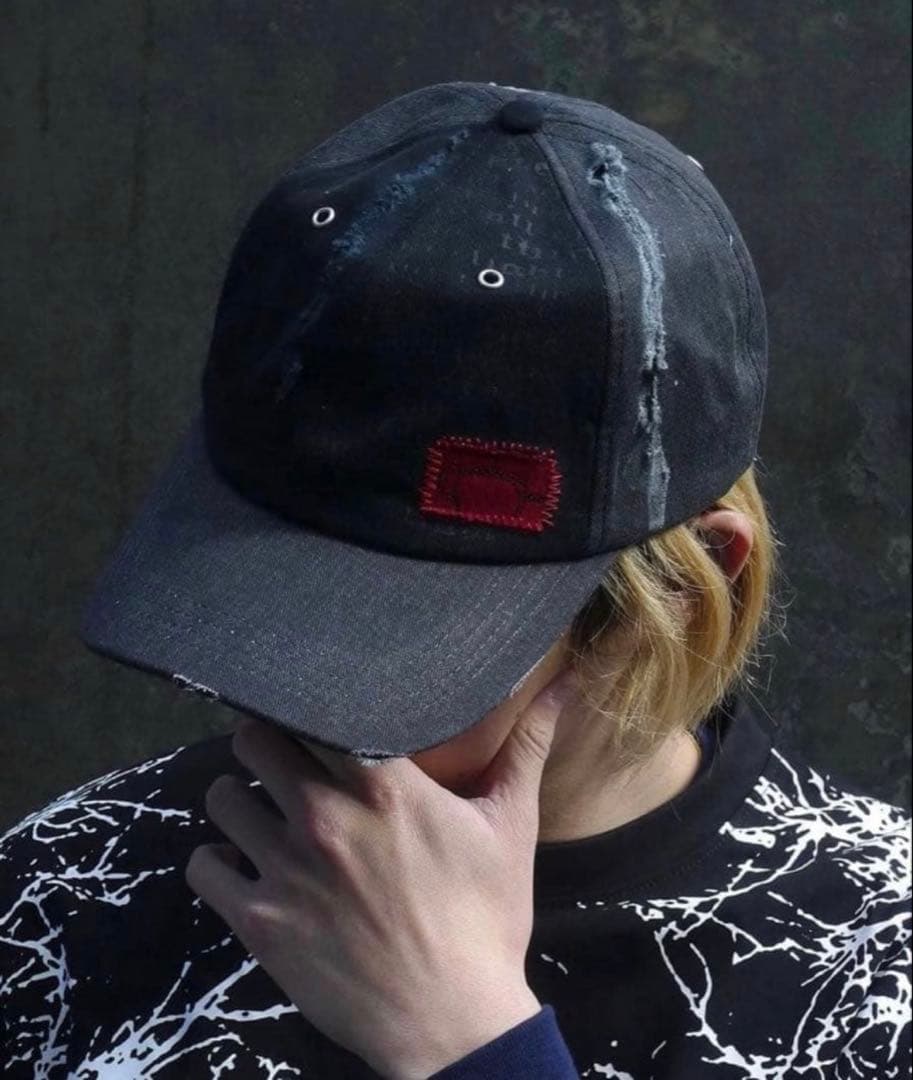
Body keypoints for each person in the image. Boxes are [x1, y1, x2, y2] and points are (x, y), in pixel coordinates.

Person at [1, 81, 909, 1079]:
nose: (278, 696)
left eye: (388, 640)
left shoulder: (874, 969)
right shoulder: (63, 888)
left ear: (680, 593)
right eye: (253, 597)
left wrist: (477, 1046)